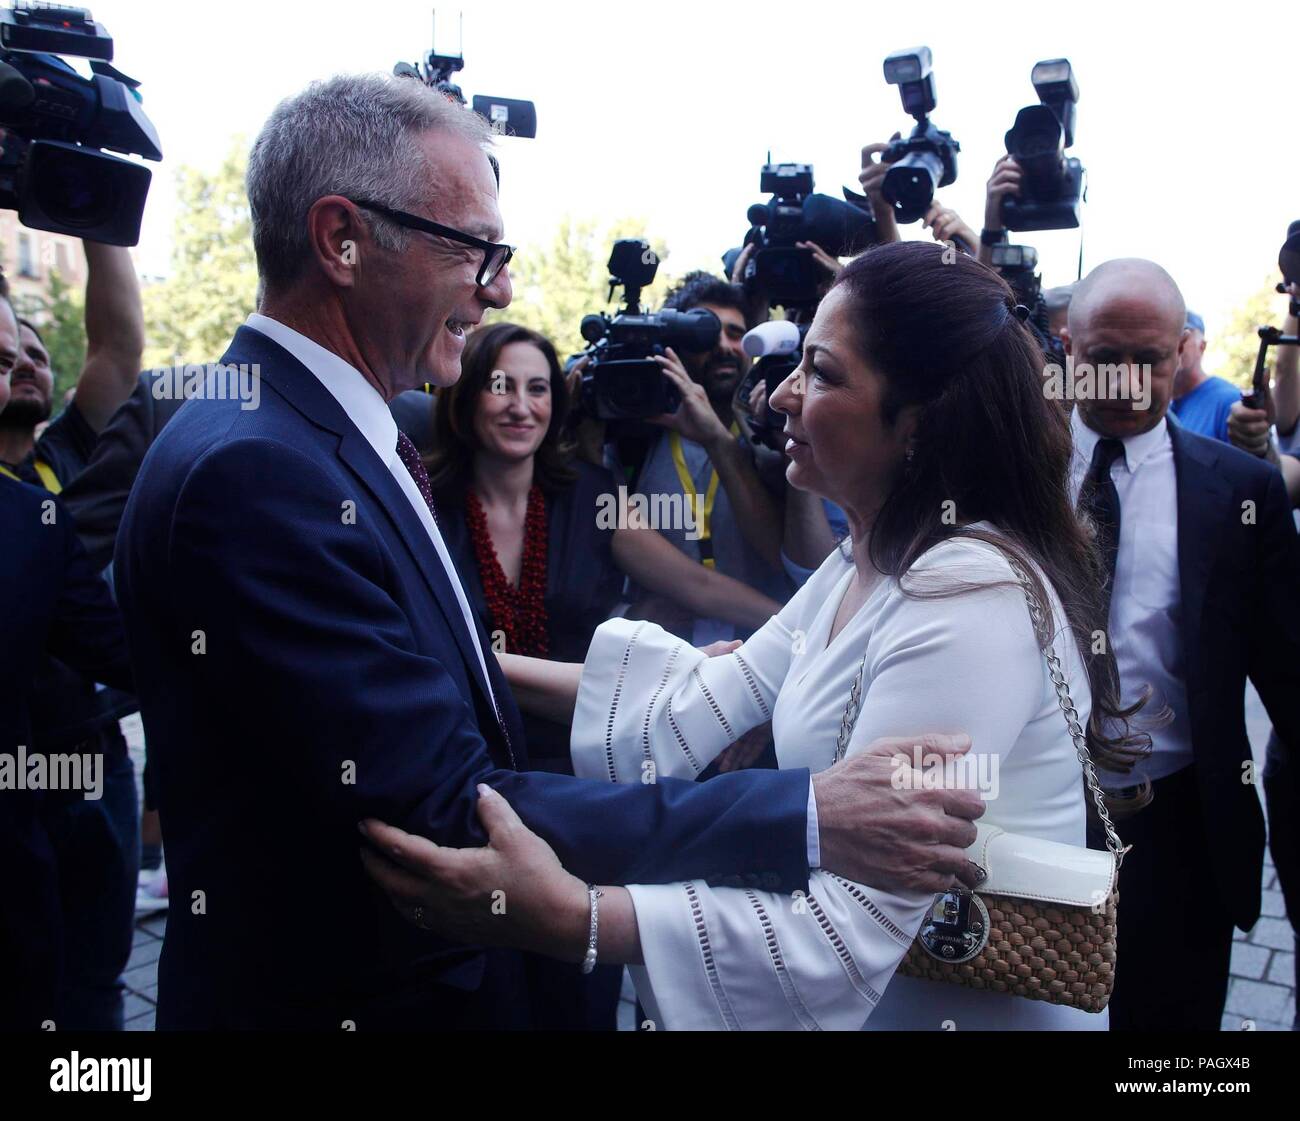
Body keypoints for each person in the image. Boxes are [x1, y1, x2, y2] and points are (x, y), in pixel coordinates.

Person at [114, 74, 983, 1030]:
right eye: (476, 250)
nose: (504, 287)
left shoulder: (311, 430)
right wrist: (808, 813)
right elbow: (441, 806)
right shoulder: (256, 467)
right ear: (341, 239)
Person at [361, 240, 1150, 1031]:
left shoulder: (969, 599)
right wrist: (459, 661)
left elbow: (842, 930)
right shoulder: (867, 556)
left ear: (919, 422)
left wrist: (572, 916)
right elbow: (706, 693)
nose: (782, 397)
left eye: (824, 372)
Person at [1060, 257, 1300, 1031]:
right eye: (1104, 359)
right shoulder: (1010, 472)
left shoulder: (1239, 490)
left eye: (1149, 360)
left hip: (1182, 830)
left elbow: (1287, 664)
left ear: (1181, 353)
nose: (1128, 382)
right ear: (1069, 348)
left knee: (1175, 1050)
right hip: (1036, 814)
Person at [0, 241, 145, 1030]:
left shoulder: (66, 459)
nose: (24, 365)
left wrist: (101, 221)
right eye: (3, 356)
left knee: (94, 976)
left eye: (32, 353)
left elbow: (118, 346)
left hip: (91, 762)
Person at [609, 272, 793, 646]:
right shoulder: (634, 436)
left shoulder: (775, 436)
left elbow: (782, 556)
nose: (724, 345)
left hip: (761, 652)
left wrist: (717, 440)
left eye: (736, 333)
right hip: (662, 656)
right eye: (705, 333)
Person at [1168, 311, 1240, 442]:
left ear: (1202, 346)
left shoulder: (1229, 401)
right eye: (1169, 334)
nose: (1174, 343)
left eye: (1184, 335)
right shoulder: (1158, 402)